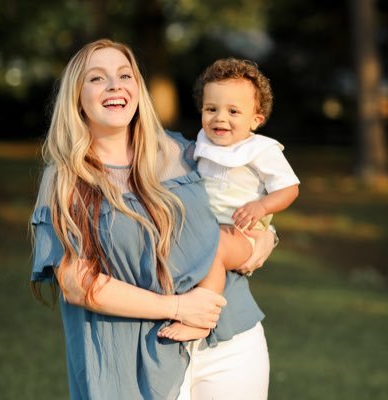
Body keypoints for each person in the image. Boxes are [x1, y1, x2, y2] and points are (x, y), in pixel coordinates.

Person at [30, 39, 276, 400]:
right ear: (76, 98)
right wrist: (177, 308)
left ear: (137, 89)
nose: (115, 85)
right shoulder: (66, 178)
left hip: (228, 340)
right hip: (133, 356)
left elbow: (243, 196)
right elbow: (75, 282)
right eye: (97, 78)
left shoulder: (186, 151)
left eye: (124, 74)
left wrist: (266, 235)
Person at [158, 58, 300, 342]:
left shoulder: (260, 150)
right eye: (211, 109)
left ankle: (204, 316)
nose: (220, 118)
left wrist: (262, 206)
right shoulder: (201, 145)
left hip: (242, 233)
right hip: (205, 229)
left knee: (217, 246)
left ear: (255, 119)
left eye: (233, 111)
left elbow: (289, 189)